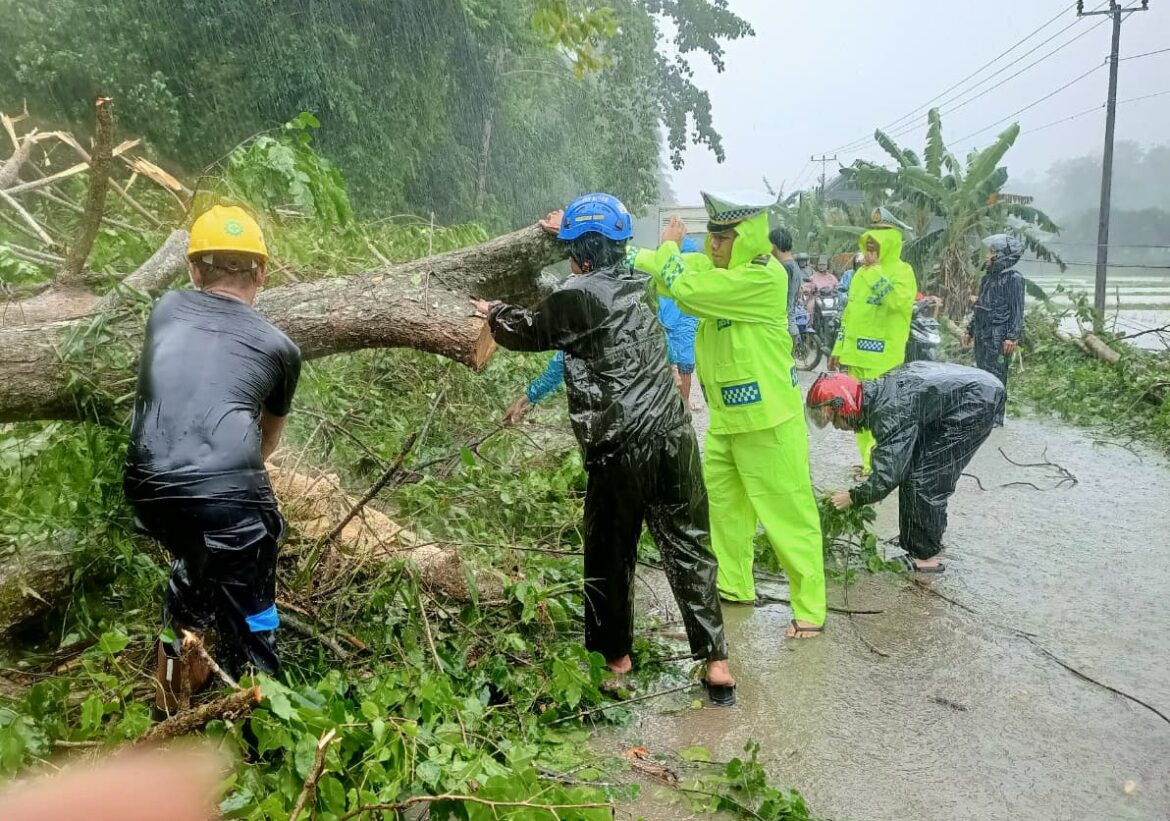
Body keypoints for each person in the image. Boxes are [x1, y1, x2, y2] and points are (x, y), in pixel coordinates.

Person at [473, 193, 735, 704]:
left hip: (622, 445)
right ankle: (717, 663)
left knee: (610, 554)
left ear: (582, 254)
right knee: (690, 546)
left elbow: (532, 330)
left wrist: (494, 310)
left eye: (572, 247)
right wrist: (565, 230)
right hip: (674, 436)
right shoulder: (639, 283)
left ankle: (615, 660)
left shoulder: (580, 293)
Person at [124, 205, 301, 713]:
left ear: (194, 270)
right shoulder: (281, 348)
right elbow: (266, 445)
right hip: (227, 500)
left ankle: (171, 687)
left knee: (194, 560)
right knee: (254, 595)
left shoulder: (164, 310)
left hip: (147, 491)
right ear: (262, 273)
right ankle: (262, 716)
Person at [632, 191, 826, 640]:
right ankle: (734, 587)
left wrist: (669, 248)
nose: (713, 246)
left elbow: (682, 284)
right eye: (710, 237)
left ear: (747, 238)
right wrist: (601, 241)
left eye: (723, 238)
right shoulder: (711, 267)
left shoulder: (764, 278)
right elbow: (660, 270)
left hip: (768, 422)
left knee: (787, 516)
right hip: (727, 422)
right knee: (722, 513)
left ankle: (811, 610)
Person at [806, 364, 1005, 572]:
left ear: (844, 404)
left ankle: (926, 558)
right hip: (970, 394)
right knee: (915, 471)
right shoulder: (879, 397)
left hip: (976, 401)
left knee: (926, 479)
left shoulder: (888, 410)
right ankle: (923, 539)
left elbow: (889, 474)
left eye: (833, 418)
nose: (836, 426)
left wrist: (853, 496)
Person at [501, 237, 703, 424]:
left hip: (623, 418)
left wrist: (528, 397)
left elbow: (560, 362)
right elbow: (658, 335)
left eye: (573, 259)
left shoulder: (588, 305)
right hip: (645, 413)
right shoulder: (630, 291)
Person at [829, 208, 917, 474]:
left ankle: (883, 465)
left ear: (893, 239)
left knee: (882, 412)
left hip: (883, 357)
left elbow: (897, 303)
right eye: (871, 232)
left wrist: (878, 271)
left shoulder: (902, 272)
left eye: (880, 233)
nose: (872, 237)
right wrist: (838, 349)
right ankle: (869, 462)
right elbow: (849, 315)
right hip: (855, 356)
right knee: (858, 413)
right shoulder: (859, 274)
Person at [964, 234, 1025, 426]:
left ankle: (996, 419)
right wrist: (970, 330)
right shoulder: (987, 279)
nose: (987, 256)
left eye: (991, 252)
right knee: (982, 374)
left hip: (999, 336)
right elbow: (980, 307)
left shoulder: (1013, 279)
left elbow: (1017, 310)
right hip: (983, 333)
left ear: (1001, 255)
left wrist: (1012, 337)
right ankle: (984, 416)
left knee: (997, 377)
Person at [768, 226, 803, 341]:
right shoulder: (794, 265)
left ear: (773, 246)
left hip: (783, 327)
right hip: (791, 326)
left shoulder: (783, 268)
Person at [802, 255, 839, 321]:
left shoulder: (832, 277)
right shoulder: (813, 277)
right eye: (820, 265)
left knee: (840, 306)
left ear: (827, 266)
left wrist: (838, 290)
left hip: (830, 298)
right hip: (817, 297)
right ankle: (810, 325)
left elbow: (838, 286)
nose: (821, 266)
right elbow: (806, 286)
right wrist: (809, 289)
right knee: (810, 307)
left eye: (823, 265)